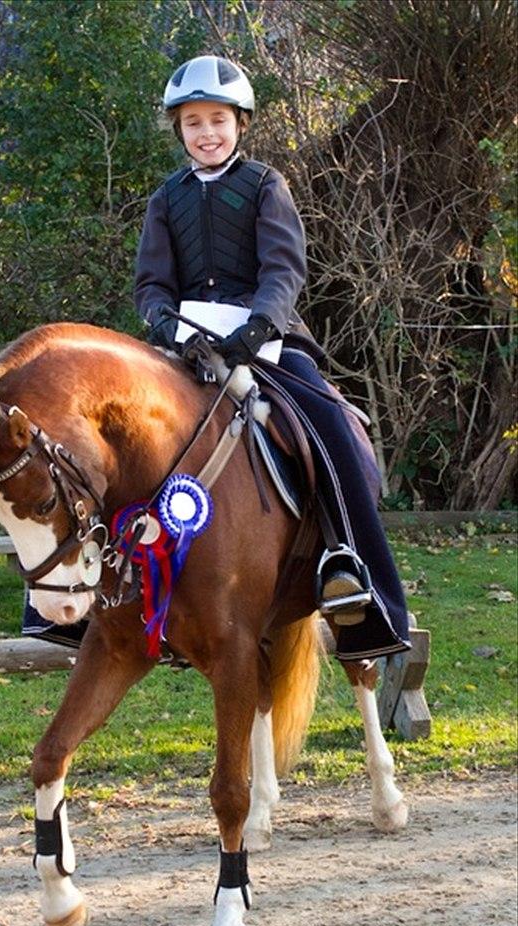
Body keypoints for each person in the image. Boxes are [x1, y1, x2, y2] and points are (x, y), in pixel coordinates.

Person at [134, 54, 410, 661]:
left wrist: (257, 328)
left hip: (267, 342)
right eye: (193, 123)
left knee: (328, 425)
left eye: (217, 120)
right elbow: (151, 282)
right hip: (186, 345)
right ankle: (104, 594)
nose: (206, 133)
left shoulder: (264, 185)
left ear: (240, 122)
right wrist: (159, 319)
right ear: (178, 129)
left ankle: (354, 571)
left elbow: (284, 269)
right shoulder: (166, 197)